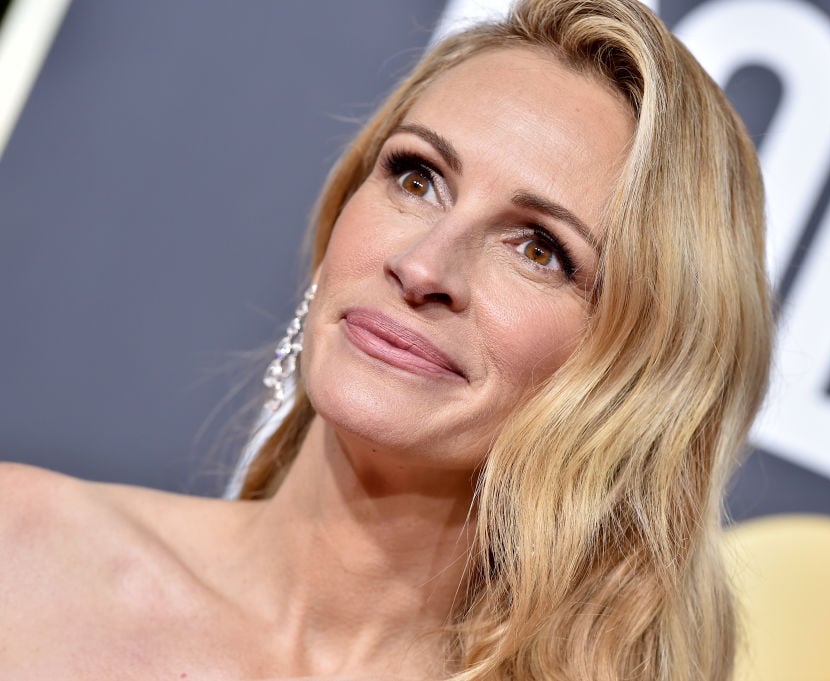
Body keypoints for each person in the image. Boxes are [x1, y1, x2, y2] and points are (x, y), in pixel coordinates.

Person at [0, 0, 771, 679]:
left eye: (538, 248)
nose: (423, 264)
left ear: (631, 375)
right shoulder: (20, 548)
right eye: (416, 177)